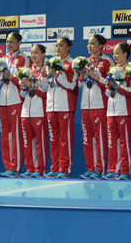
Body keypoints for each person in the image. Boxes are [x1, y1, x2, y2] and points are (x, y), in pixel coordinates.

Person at [79, 34, 113, 179]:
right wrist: (82, 75)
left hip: (99, 104)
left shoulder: (107, 61)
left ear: (100, 46)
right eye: (88, 43)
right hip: (85, 105)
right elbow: (79, 84)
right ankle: (90, 168)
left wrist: (95, 76)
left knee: (100, 139)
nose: (89, 46)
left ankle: (100, 168)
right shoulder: (85, 62)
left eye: (93, 43)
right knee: (87, 139)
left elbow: (110, 83)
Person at [44, 37, 78, 179]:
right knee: (53, 140)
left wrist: (57, 75)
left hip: (65, 106)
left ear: (68, 47)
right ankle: (55, 167)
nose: (58, 48)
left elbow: (72, 86)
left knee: (65, 139)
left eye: (61, 45)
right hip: (51, 106)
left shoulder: (73, 64)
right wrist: (46, 76)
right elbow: (45, 87)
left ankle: (64, 168)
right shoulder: (51, 63)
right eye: (56, 45)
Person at [103, 42, 131, 180]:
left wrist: (118, 87)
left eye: (117, 53)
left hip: (124, 111)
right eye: (113, 53)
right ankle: (113, 169)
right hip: (111, 111)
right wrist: (109, 87)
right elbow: (107, 93)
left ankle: (125, 170)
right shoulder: (112, 70)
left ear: (125, 54)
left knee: (125, 143)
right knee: (112, 143)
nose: (114, 56)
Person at [0, 32, 29, 177]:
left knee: (16, 136)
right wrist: (1, 77)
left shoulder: (24, 58)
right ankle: (7, 166)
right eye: (7, 41)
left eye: (11, 41)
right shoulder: (2, 59)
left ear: (19, 42)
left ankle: (15, 167)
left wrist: (11, 77)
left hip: (16, 100)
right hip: (2, 101)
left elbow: (24, 80)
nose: (9, 44)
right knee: (5, 136)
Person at [19, 44, 48, 178]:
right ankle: (29, 168)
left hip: (39, 111)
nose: (33, 55)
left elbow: (46, 93)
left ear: (43, 54)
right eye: (31, 53)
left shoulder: (46, 71)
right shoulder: (27, 71)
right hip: (25, 111)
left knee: (40, 143)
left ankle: (40, 169)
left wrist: (33, 86)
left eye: (36, 52)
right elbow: (22, 94)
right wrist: (25, 87)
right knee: (27, 142)